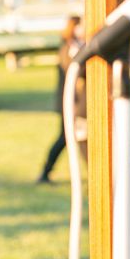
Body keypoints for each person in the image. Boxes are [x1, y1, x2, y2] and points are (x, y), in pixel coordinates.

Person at [37, 15, 87, 183]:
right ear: (74, 27)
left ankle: (46, 171)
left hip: (75, 101)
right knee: (68, 137)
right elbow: (71, 76)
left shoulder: (76, 46)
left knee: (70, 137)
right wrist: (72, 104)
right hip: (69, 101)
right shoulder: (68, 48)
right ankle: (45, 171)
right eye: (81, 26)